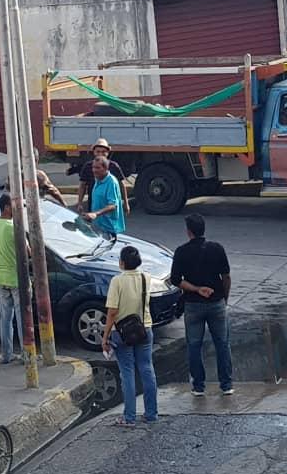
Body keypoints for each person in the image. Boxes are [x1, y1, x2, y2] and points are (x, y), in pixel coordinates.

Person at [171, 213, 233, 396]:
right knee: (222, 344)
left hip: (193, 305)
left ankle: (198, 386)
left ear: (188, 232)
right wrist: (224, 299)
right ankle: (226, 384)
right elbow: (226, 277)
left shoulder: (181, 252)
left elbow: (176, 280)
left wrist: (196, 289)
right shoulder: (217, 249)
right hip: (216, 303)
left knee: (194, 345)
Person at [102, 245, 158, 427]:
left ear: (122, 262)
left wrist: (105, 336)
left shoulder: (117, 281)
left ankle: (129, 417)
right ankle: (151, 414)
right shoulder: (145, 278)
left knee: (127, 373)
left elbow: (112, 312)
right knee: (147, 369)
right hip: (145, 329)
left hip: (122, 333)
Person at [0, 193, 26, 364]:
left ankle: (7, 354)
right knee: (22, 318)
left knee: (5, 319)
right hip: (16, 277)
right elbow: (28, 251)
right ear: (6, 207)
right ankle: (27, 353)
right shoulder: (13, 227)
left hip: (1, 278)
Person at [76, 138, 129, 214]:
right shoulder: (88, 166)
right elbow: (82, 185)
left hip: (110, 207)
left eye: (103, 152)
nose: (100, 154)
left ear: (108, 152)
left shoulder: (113, 166)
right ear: (94, 152)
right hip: (94, 204)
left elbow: (121, 185)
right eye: (98, 151)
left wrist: (126, 203)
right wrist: (80, 203)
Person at [84, 156, 125, 237]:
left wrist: (96, 214)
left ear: (105, 168)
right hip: (98, 226)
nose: (94, 170)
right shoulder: (98, 178)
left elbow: (113, 205)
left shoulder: (111, 182)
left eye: (98, 168)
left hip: (109, 228)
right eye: (93, 167)